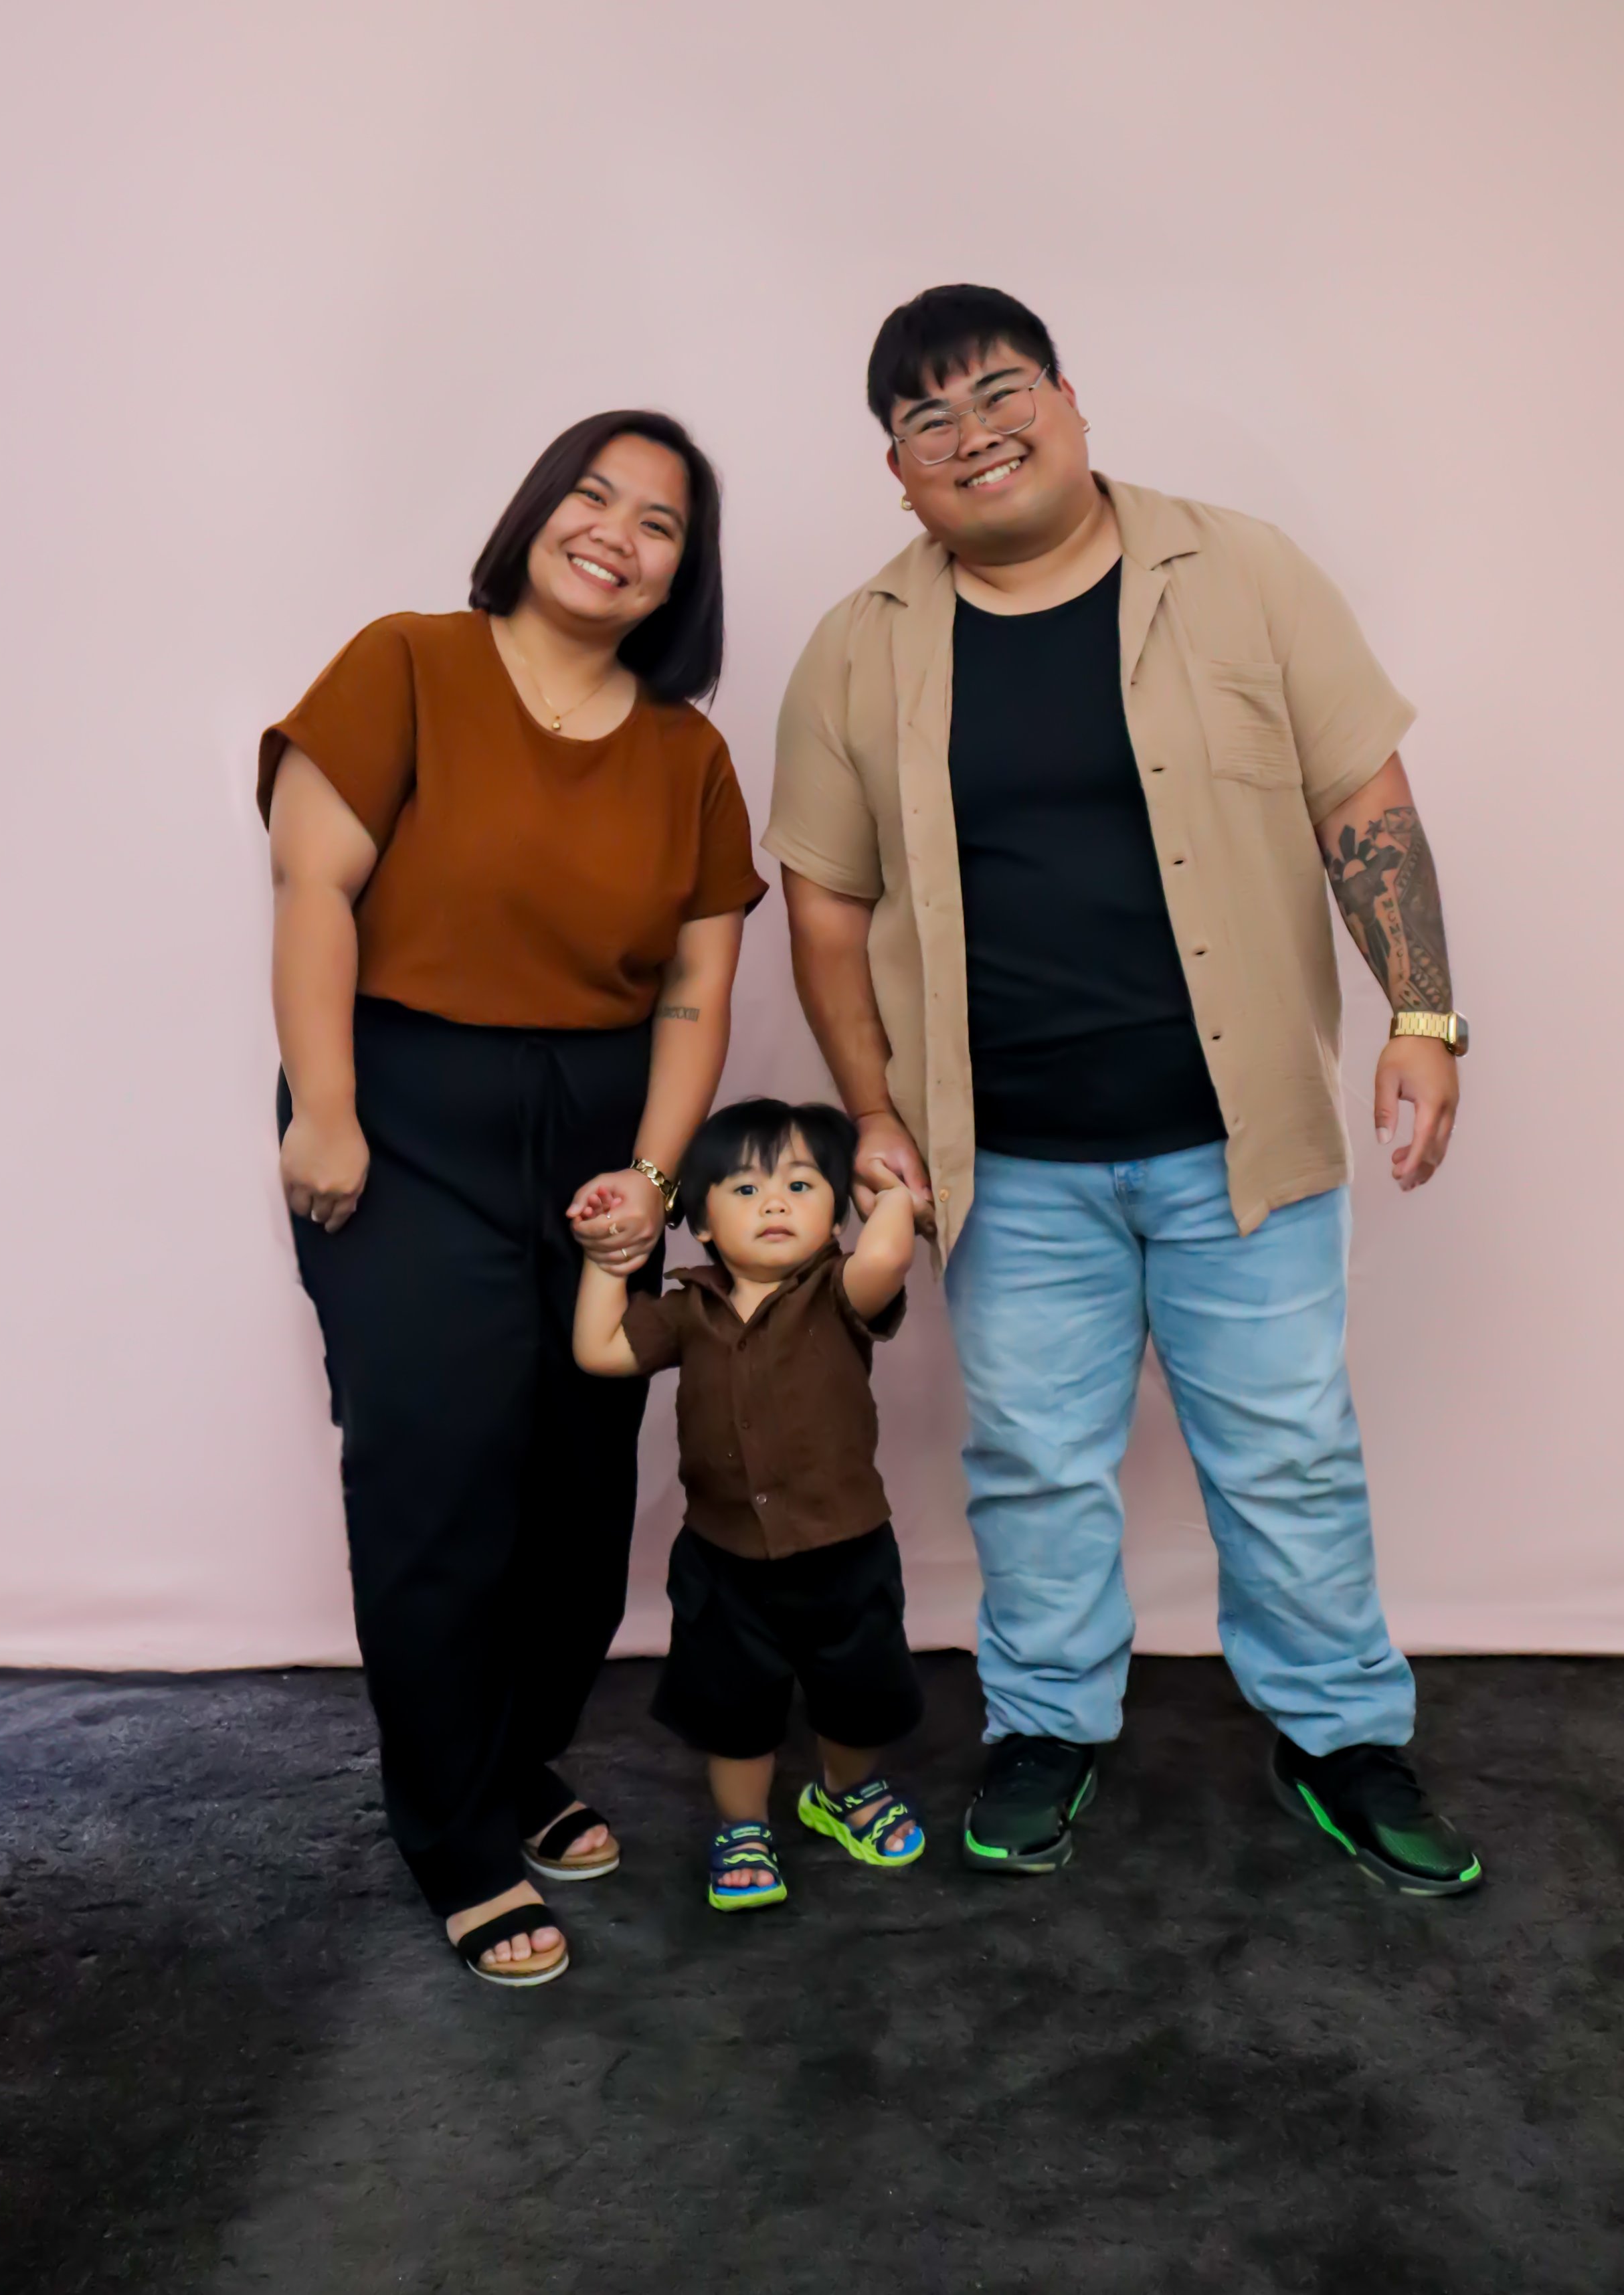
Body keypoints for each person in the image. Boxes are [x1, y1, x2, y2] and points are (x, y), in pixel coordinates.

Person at [765, 284, 1482, 1898]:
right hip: (1007, 1160)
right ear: (898, 472)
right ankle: (1044, 1729)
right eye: (924, 419)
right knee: (1029, 1458)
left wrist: (1422, 1010)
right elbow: (823, 901)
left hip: (1246, 1140)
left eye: (998, 389)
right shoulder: (857, 650)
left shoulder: (1240, 572)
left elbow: (1360, 793)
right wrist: (877, 1112)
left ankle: (1342, 1741)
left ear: (1072, 401)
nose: (972, 432)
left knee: (1289, 1451)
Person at [260, 410, 766, 1985]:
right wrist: (329, 1108)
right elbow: (312, 888)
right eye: (591, 494)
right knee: (440, 1468)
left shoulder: (687, 751)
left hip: (602, 1134)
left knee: (578, 1478)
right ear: (538, 509)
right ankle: (453, 1829)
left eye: (662, 521)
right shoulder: (407, 662)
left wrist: (659, 1180)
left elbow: (694, 987)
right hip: (404, 1116)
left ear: (685, 570)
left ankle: (515, 1755)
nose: (616, 529)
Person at [573, 1099, 925, 1911]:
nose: (774, 1203)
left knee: (857, 1693)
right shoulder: (684, 1310)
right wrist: (606, 1258)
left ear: (838, 1213)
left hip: (846, 1545)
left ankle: (843, 1793)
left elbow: (885, 1263)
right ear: (697, 1222)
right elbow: (598, 1350)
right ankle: (742, 1826)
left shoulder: (838, 1290)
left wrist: (893, 1199)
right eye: (743, 1189)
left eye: (802, 1185)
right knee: (732, 1708)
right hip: (724, 1556)